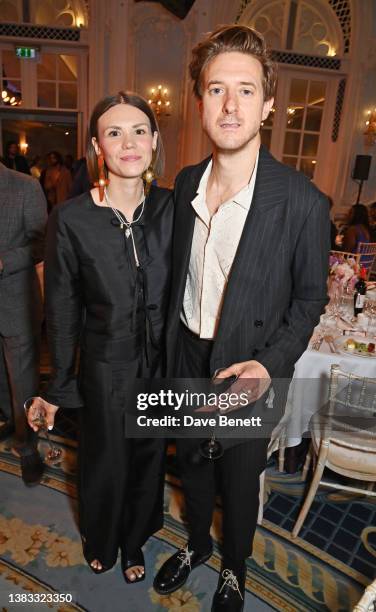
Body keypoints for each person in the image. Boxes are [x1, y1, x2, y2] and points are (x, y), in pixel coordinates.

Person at [153, 25, 330, 611]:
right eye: (217, 89)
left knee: (236, 478)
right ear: (199, 100)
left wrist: (269, 364)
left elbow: (309, 301)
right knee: (192, 469)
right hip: (186, 357)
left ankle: (235, 567)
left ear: (268, 104)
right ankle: (198, 545)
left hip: (250, 367)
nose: (230, 105)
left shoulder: (304, 202)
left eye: (246, 91)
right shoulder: (182, 185)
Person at [26, 91, 172, 582]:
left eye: (138, 131)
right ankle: (101, 537)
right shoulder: (71, 218)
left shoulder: (175, 209)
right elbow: (62, 310)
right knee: (106, 460)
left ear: (154, 141)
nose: (128, 142)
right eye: (114, 132)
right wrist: (58, 387)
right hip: (106, 366)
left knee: (148, 459)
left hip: (161, 368)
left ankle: (135, 540)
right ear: (96, 146)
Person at [0, 162, 47, 485]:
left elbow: (41, 244)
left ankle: (28, 446)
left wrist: (4, 260)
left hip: (15, 300)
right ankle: (8, 418)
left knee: (23, 378)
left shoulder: (25, 187)